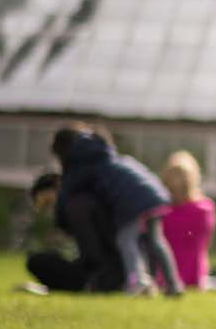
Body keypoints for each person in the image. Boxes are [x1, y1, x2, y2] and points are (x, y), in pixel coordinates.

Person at [50, 126, 183, 296]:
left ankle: (137, 281)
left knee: (125, 240)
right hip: (155, 196)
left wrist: (60, 215)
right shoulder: (112, 156)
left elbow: (69, 188)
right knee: (156, 241)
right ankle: (173, 284)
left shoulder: (85, 162)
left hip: (135, 203)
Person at [24, 170, 124, 293]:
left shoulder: (76, 207)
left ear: (57, 187)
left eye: (48, 203)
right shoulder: (86, 199)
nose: (50, 211)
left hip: (104, 276)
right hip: (109, 271)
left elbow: (93, 254)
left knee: (36, 261)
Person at [159, 150, 216, 291]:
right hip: (196, 275)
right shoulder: (204, 209)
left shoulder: (160, 210)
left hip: (164, 276)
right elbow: (205, 244)